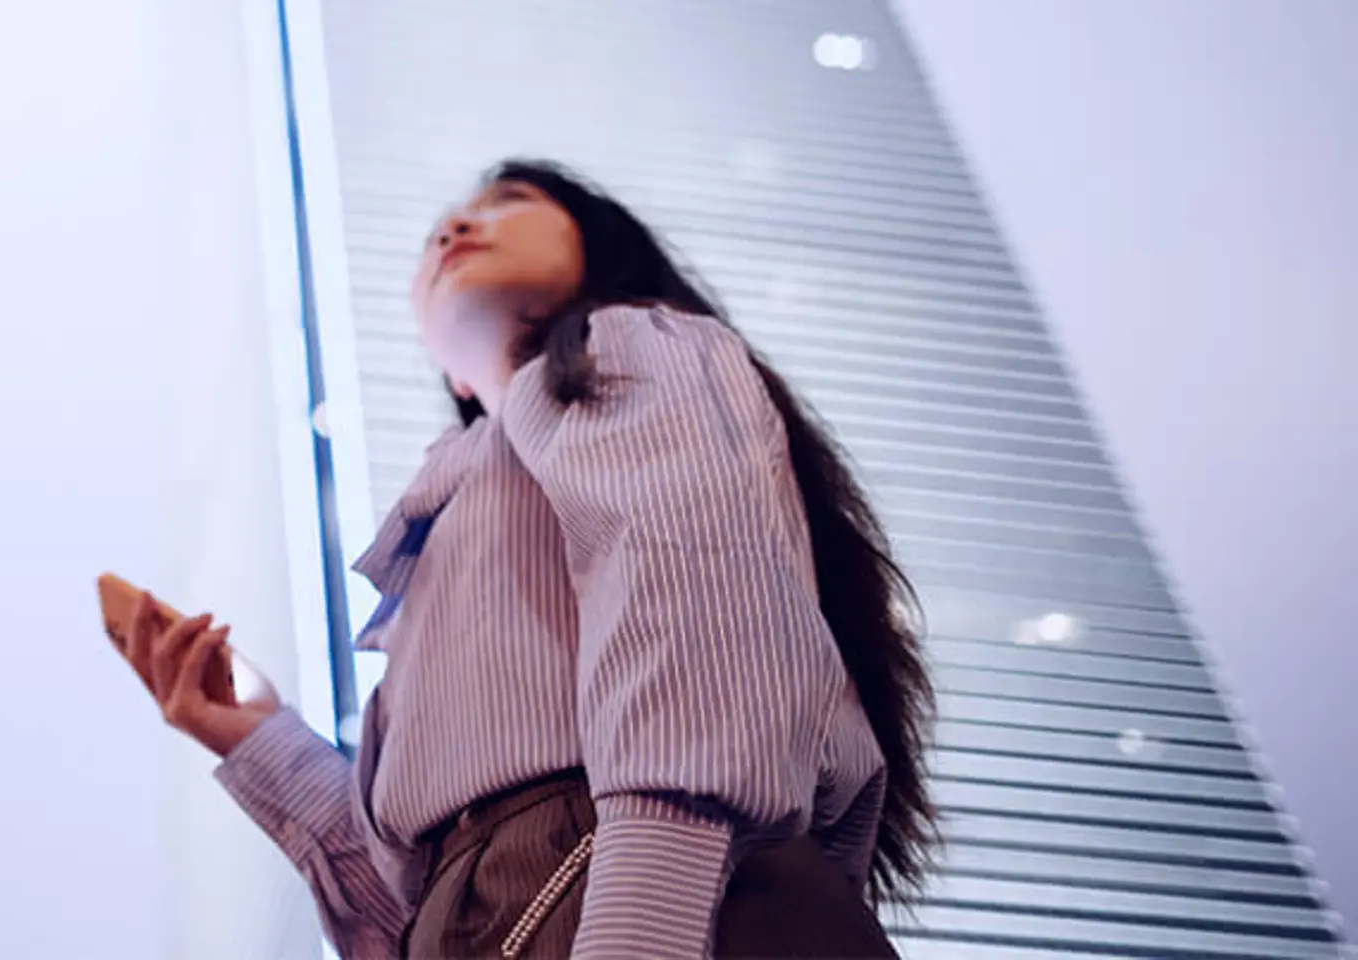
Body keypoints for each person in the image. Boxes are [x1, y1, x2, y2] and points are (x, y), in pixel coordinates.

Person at [113, 159, 938, 959]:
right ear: (453, 379)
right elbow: (410, 907)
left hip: (652, 892)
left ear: (600, 250)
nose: (457, 227)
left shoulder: (626, 344)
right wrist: (253, 736)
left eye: (508, 200)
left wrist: (640, 928)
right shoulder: (445, 525)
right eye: (436, 233)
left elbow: (696, 602)